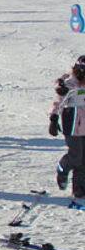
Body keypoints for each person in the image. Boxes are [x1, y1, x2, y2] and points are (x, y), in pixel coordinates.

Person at [50, 57, 85, 206]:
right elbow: (58, 100)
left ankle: (79, 190)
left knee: (83, 159)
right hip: (72, 122)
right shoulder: (70, 83)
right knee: (76, 155)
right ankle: (62, 169)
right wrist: (53, 118)